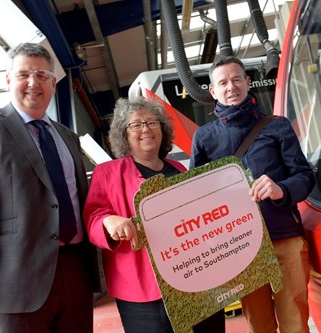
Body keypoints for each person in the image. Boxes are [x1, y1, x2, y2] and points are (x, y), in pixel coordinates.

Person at [0, 42, 102, 332]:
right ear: (8, 80)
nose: (34, 83)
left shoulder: (68, 137)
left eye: (42, 75)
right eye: (23, 75)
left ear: (54, 83)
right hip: (13, 285)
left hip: (75, 274)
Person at [190, 56, 316, 333]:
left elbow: (305, 176)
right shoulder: (204, 138)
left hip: (285, 236)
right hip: (240, 248)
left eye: (236, 79)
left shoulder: (277, 125)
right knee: (258, 324)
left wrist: (280, 189)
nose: (230, 87)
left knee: (295, 319)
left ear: (248, 82)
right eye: (222, 82)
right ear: (212, 92)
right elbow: (196, 198)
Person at [83, 97, 225, 333]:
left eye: (152, 122)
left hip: (196, 280)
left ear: (162, 129)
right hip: (144, 291)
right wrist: (109, 221)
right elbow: (93, 216)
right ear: (123, 135)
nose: (146, 129)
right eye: (136, 125)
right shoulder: (107, 173)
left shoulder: (179, 169)